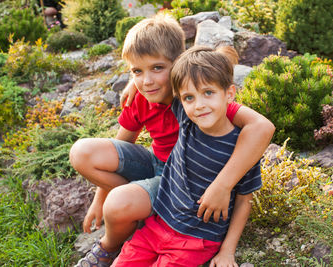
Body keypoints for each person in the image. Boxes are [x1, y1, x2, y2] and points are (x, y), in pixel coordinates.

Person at [70, 14, 275, 267]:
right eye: (137, 71)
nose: (147, 80)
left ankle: (140, 207)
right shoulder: (145, 96)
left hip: (188, 195)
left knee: (122, 204)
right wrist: (99, 200)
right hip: (158, 170)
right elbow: (123, 145)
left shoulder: (191, 102)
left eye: (157, 68)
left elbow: (262, 126)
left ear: (177, 63)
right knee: (83, 153)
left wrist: (222, 186)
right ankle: (129, 221)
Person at [111, 45, 263, 267]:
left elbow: (244, 201)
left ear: (229, 94)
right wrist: (134, 83)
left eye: (209, 93)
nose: (199, 105)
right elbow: (166, 76)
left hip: (196, 241)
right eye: (189, 97)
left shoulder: (243, 148)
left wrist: (227, 251)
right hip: (157, 226)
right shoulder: (185, 119)